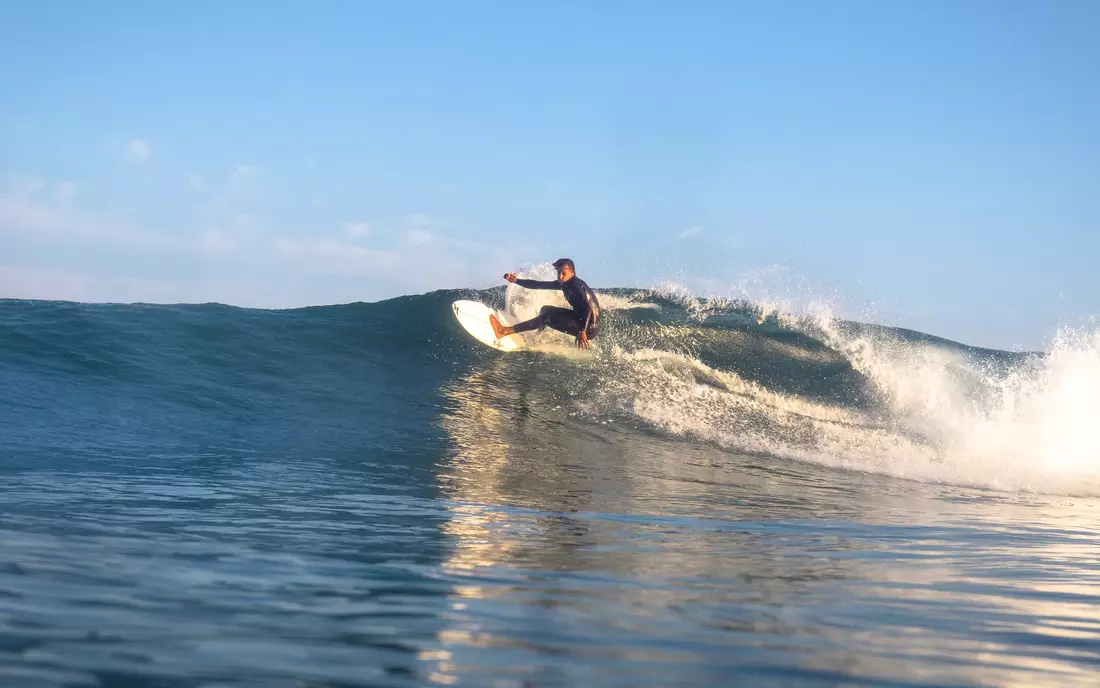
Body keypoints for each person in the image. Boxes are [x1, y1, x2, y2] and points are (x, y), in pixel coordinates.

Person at [490, 258, 601, 349]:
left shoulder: (576, 286)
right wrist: (516, 281)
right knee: (546, 309)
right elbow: (538, 285)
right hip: (579, 317)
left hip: (588, 328)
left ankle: (504, 331)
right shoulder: (565, 283)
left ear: (572, 272)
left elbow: (588, 309)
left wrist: (583, 331)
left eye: (563, 273)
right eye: (558, 272)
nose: (560, 276)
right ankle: (537, 338)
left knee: (546, 318)